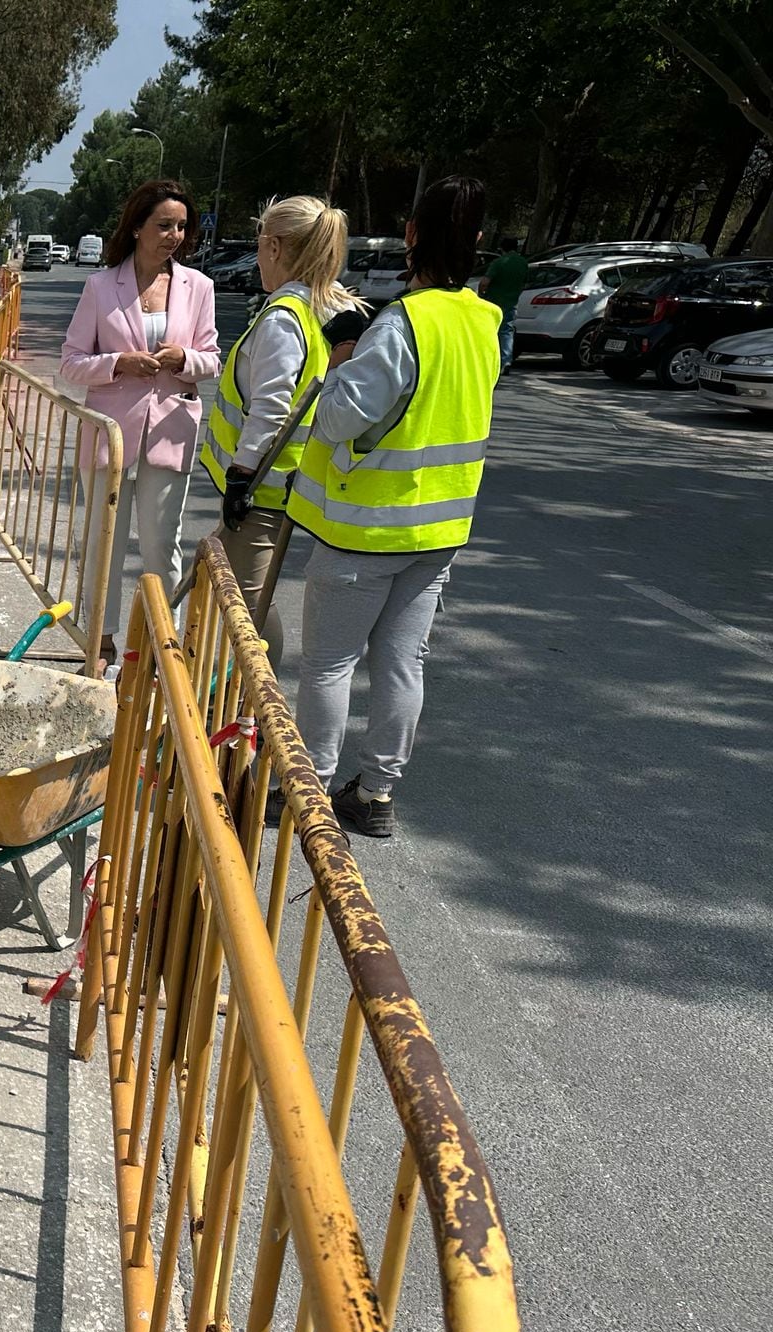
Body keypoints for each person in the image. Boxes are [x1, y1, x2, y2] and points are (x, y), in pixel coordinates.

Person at [286, 175, 501, 839]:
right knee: (403, 664)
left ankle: (312, 790)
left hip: (366, 529)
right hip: (439, 530)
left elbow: (339, 420)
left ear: (410, 235)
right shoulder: (483, 321)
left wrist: (341, 357)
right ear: (479, 242)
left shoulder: (403, 325)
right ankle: (375, 793)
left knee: (328, 664)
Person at [58, 178, 220, 667]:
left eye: (181, 227)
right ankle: (101, 639)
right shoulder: (102, 285)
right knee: (102, 539)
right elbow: (69, 363)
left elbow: (212, 358)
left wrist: (185, 358)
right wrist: (117, 363)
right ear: (137, 227)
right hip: (110, 432)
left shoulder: (199, 287)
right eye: (163, 225)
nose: (173, 235)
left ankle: (160, 641)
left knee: (160, 542)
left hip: (171, 430)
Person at [199, 195, 368, 662]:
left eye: (258, 247)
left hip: (263, 489)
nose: (256, 258)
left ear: (273, 247)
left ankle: (251, 712)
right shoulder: (329, 308)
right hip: (285, 485)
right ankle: (245, 705)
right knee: (249, 599)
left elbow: (271, 408)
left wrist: (240, 476)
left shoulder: (284, 319)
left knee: (243, 611)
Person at [481, 235, 531, 376]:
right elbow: (524, 284)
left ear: (502, 248)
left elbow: (484, 282)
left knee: (490, 331)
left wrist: (481, 294)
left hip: (493, 301)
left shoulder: (499, 262)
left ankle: (489, 360)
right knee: (507, 332)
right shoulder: (523, 263)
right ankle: (506, 361)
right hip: (511, 302)